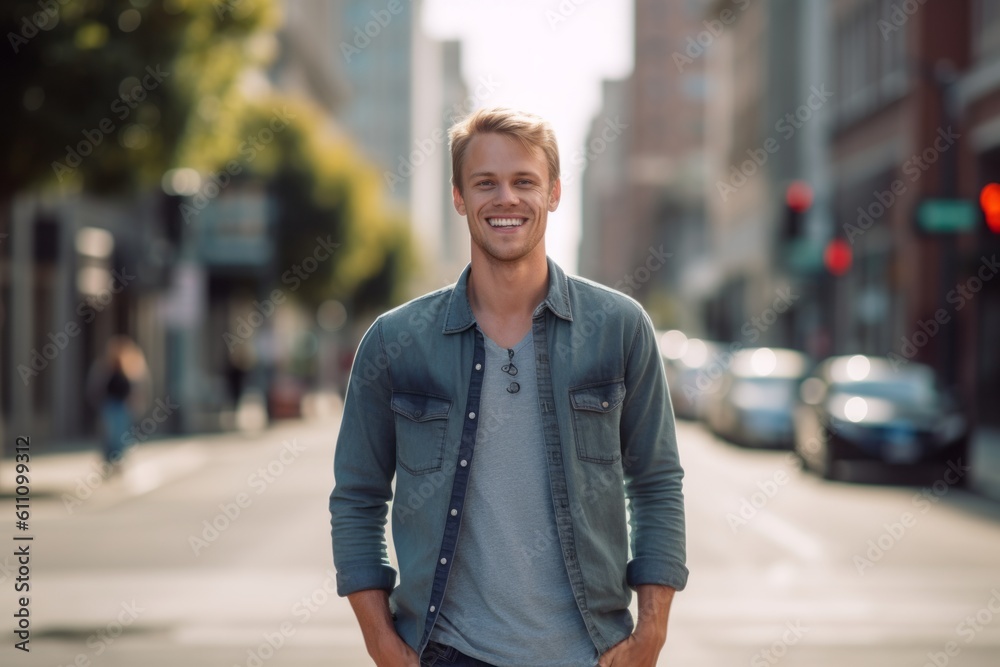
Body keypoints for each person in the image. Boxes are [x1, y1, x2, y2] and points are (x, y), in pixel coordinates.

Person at [330, 107, 687, 667]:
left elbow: (656, 482)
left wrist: (652, 634)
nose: (506, 199)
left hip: (592, 653)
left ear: (554, 193)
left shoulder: (619, 328)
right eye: (485, 183)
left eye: (525, 181)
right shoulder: (396, 341)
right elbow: (357, 496)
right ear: (458, 196)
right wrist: (380, 640)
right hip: (447, 652)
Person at [87, 335, 150, 468]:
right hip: (109, 405)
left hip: (122, 407)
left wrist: (137, 402)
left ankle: (117, 460)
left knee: (120, 435)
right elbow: (96, 385)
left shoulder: (130, 367)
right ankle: (109, 460)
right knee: (109, 435)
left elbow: (138, 387)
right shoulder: (105, 367)